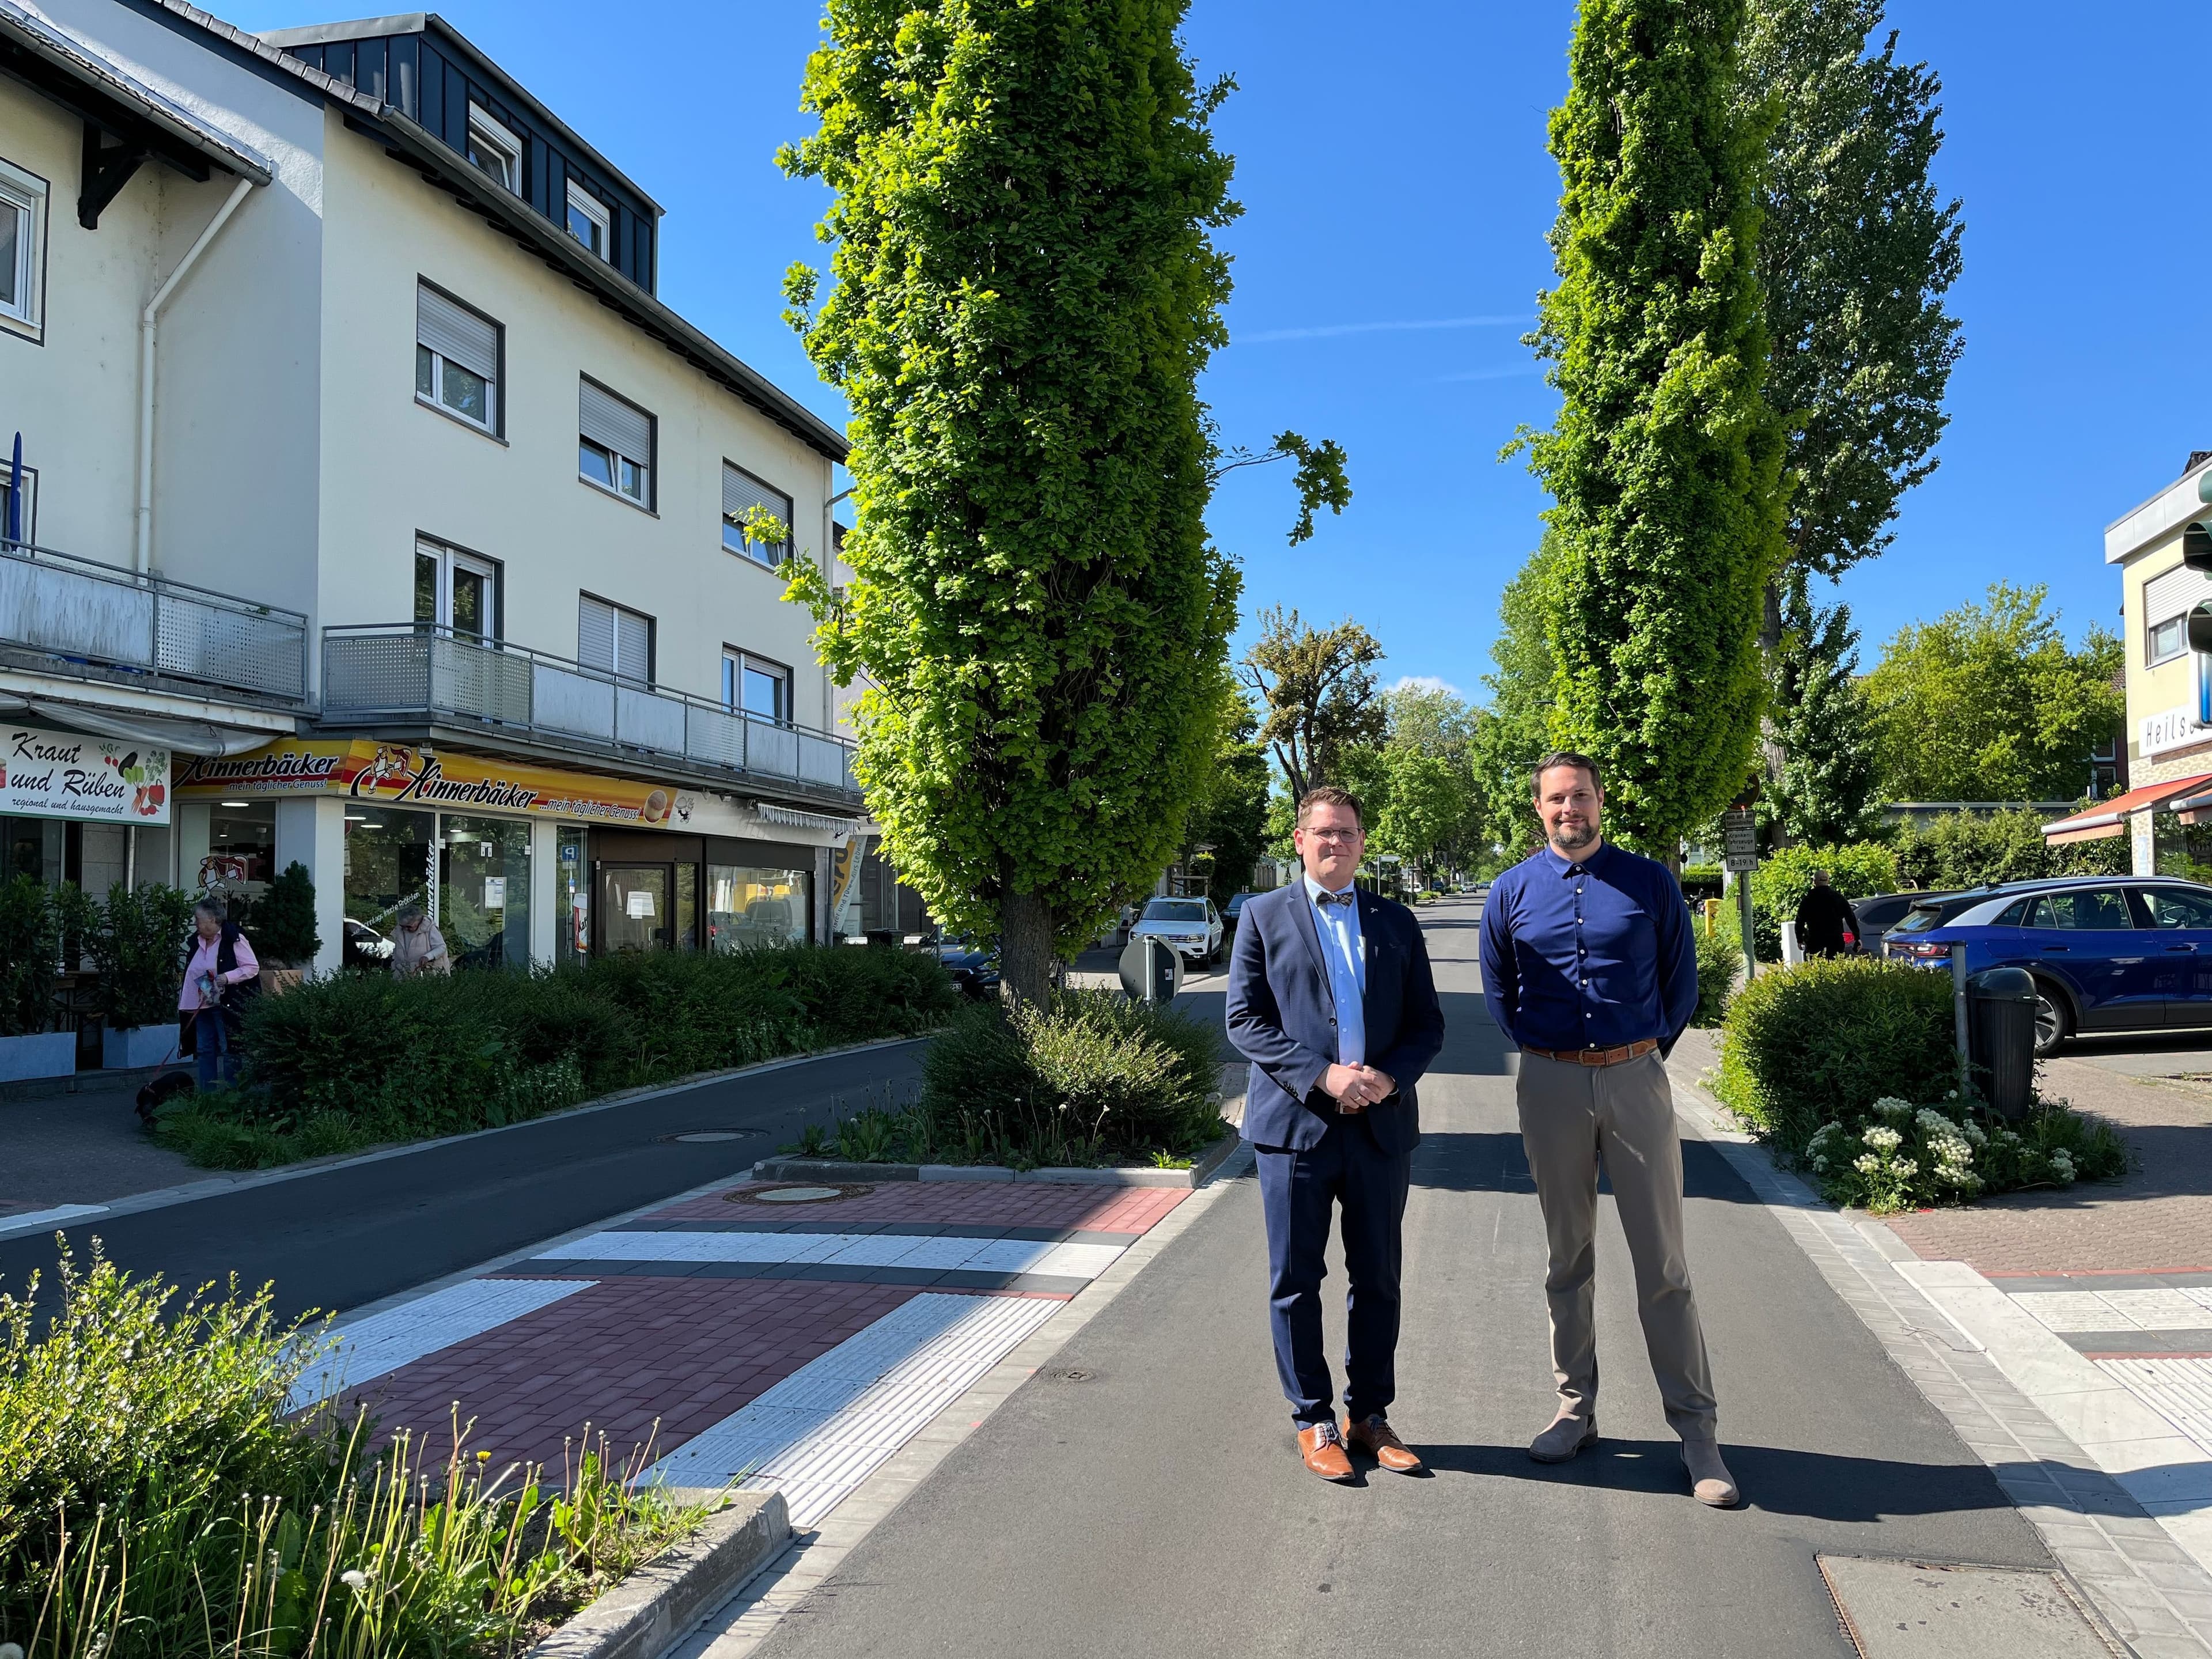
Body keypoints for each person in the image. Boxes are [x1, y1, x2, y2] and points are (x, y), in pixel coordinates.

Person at [1478, 752, 1739, 1508]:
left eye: (1582, 796)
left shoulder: (1652, 883)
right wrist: (1543, 1051)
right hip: (1550, 1081)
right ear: (1539, 809)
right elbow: (1500, 987)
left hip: (1637, 1078)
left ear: (1601, 801)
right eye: (1557, 799)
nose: (1571, 809)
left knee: (1663, 1264)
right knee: (1568, 1257)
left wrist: (1645, 1055)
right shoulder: (1512, 892)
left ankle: (1697, 1434)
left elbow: (1681, 982)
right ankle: (1575, 1408)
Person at [1226, 786, 1445, 1482]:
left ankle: (1369, 1416)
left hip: (1380, 1128)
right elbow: (1245, 1020)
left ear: (1361, 841)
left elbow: (1427, 1024)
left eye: (1348, 833)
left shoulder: (1396, 920)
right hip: (1295, 1132)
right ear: (1299, 840)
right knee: (1297, 1279)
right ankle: (1313, 1418)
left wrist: (1388, 1078)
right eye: (1323, 833)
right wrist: (1324, 1076)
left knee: (1378, 1278)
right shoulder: (1262, 917)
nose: (1336, 844)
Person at [179, 897, 258, 1089]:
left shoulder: (234, 938)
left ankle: (233, 1095)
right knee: (204, 1049)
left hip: (226, 1004)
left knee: (229, 1048)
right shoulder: (196, 942)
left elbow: (252, 967)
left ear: (213, 919)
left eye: (198, 919)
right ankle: (208, 1097)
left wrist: (226, 977)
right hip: (202, 1004)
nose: (195, 923)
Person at [1794, 870, 1857, 959]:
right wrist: (1857, 937)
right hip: (1836, 939)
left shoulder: (1808, 900)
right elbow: (1850, 918)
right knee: (1835, 967)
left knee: (1816, 967)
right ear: (1828, 881)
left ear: (1814, 882)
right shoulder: (1838, 898)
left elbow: (1800, 921)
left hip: (1815, 940)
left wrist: (1800, 939)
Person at [390, 903, 452, 978]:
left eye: (409, 926)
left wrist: (428, 956)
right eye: (403, 926)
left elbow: (442, 947)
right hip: (405, 975)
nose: (406, 929)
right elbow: (397, 955)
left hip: (429, 972)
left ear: (418, 921)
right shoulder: (399, 931)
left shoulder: (430, 928)